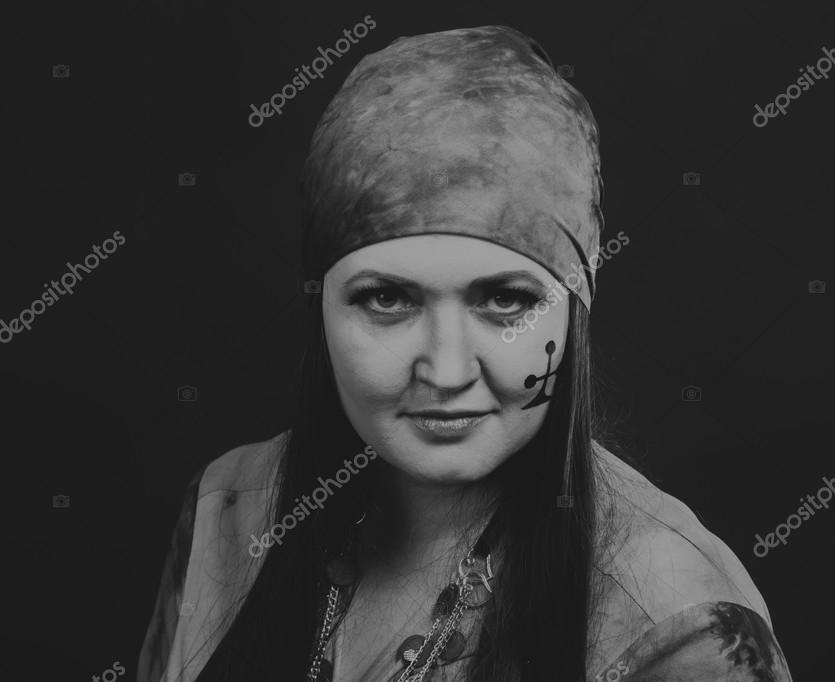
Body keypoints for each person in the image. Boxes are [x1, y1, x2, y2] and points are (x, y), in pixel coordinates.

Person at [138, 25, 793, 682]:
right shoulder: (229, 510)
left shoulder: (678, 624)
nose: (446, 371)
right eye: (387, 299)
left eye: (504, 301)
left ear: (573, 315)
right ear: (321, 310)